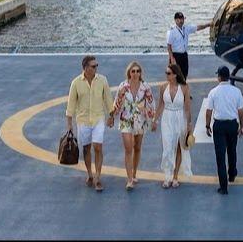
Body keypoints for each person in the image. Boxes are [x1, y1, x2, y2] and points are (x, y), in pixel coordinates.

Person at [65, 55, 114, 192]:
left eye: (96, 65)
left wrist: (111, 115)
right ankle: (90, 174)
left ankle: (98, 177)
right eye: (93, 66)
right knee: (86, 148)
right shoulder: (76, 83)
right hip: (83, 120)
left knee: (98, 147)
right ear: (85, 68)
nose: (96, 68)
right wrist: (69, 125)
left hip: (98, 118)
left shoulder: (102, 80)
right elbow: (71, 105)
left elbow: (108, 100)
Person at [113, 60, 156, 191]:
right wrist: (112, 116)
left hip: (140, 120)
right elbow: (117, 102)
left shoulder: (145, 87)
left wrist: (152, 119)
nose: (136, 73)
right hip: (126, 119)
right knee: (128, 148)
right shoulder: (123, 86)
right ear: (129, 73)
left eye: (138, 71)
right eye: (133, 71)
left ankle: (134, 173)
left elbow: (151, 103)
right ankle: (129, 179)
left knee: (137, 147)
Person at [205, 65, 243, 195]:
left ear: (219, 77)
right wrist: (242, 126)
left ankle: (223, 186)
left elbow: (209, 111)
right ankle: (232, 173)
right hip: (232, 125)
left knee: (220, 156)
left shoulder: (213, 92)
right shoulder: (236, 91)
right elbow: (241, 111)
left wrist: (207, 125)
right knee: (232, 150)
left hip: (219, 126)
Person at [153, 63, 193, 188]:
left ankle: (175, 176)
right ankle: (167, 176)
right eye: (166, 73)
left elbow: (187, 108)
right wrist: (155, 120)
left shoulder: (185, 87)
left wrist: (189, 125)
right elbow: (160, 105)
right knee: (167, 147)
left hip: (180, 118)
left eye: (169, 73)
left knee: (179, 147)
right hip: (167, 118)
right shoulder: (163, 87)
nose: (166, 75)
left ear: (175, 75)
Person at [166, 11, 210, 81]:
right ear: (175, 20)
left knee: (184, 74)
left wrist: (208, 25)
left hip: (184, 55)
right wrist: (171, 57)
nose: (180, 21)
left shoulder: (186, 28)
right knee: (174, 76)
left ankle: (183, 89)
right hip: (176, 56)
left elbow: (198, 27)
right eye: (178, 19)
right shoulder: (172, 31)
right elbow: (169, 45)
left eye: (182, 19)